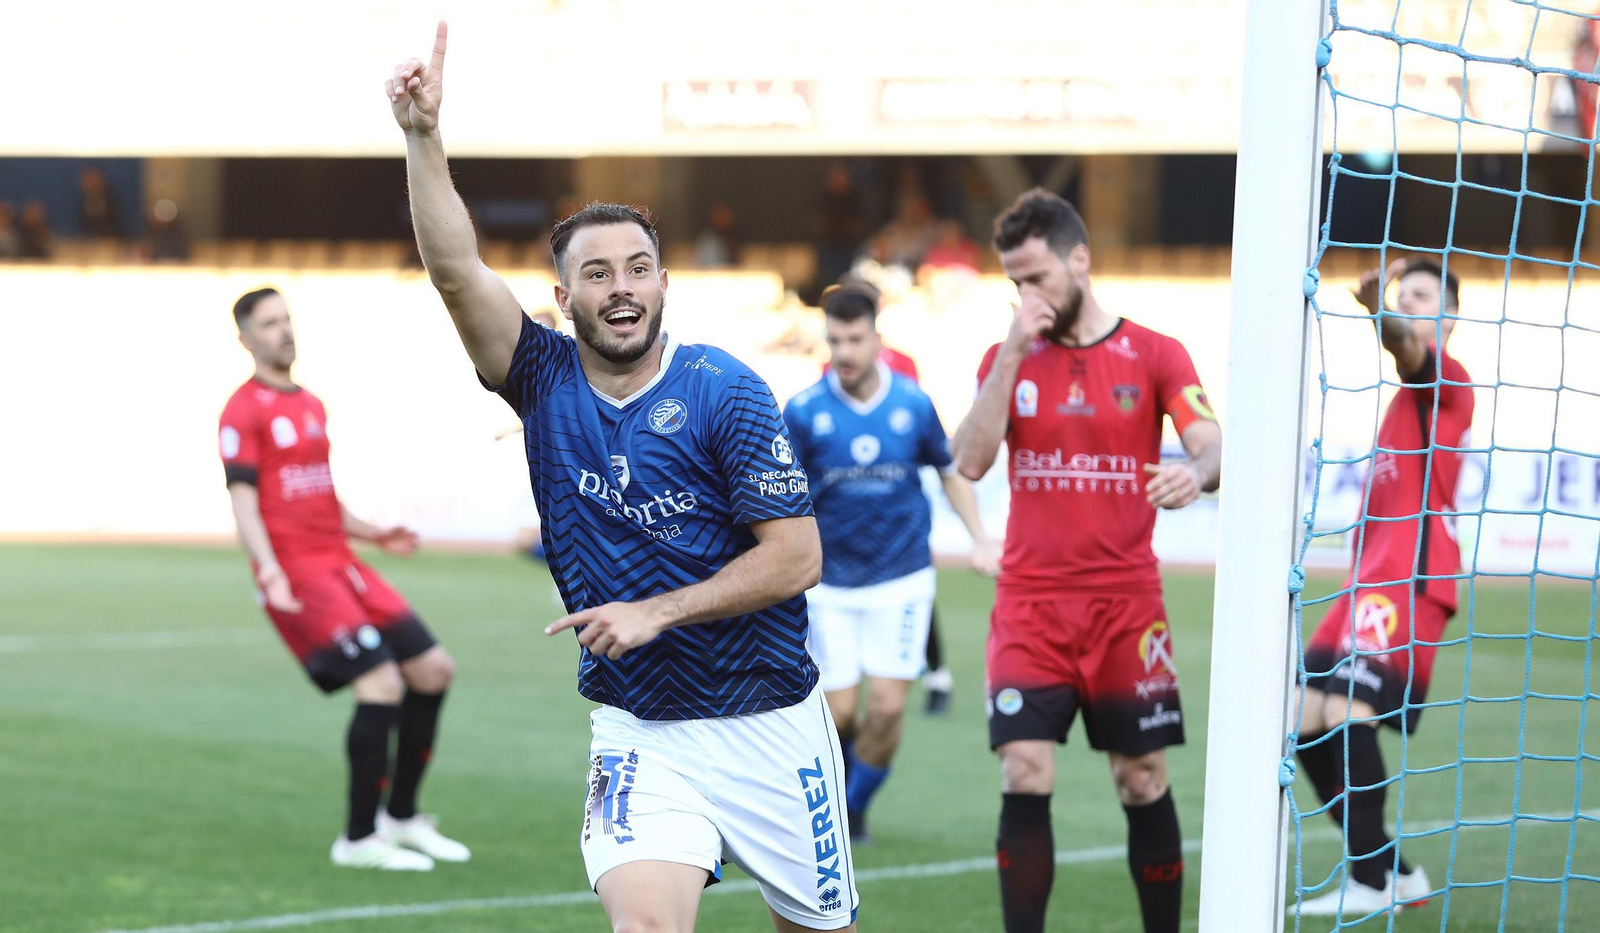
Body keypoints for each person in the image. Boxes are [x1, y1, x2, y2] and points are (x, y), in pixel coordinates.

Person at [385, 23, 858, 932]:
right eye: (596, 274)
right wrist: (421, 135)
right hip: (638, 727)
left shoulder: (726, 390)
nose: (621, 287)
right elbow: (453, 270)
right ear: (565, 299)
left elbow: (797, 558)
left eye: (638, 267)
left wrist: (658, 609)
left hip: (770, 717)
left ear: (665, 283)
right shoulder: (542, 377)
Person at [951, 189, 1222, 933]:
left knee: (1141, 779)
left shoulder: (1157, 351)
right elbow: (970, 460)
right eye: (1014, 282)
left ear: (1080, 260)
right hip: (1030, 605)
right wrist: (1011, 349)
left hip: (1125, 607)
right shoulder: (1003, 356)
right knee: (1024, 768)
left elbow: (1211, 443)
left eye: (1036, 277)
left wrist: (1194, 474)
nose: (1025, 295)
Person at [219, 287, 469, 872]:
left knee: (433, 670)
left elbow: (321, 495)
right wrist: (270, 570)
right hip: (300, 573)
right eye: (270, 323)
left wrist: (374, 534)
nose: (284, 331)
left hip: (341, 562)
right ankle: (357, 838)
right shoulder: (242, 410)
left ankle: (400, 817)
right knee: (379, 682)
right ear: (246, 338)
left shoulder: (309, 403)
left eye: (287, 320)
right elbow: (244, 503)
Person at [784, 284, 996, 845]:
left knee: (887, 710)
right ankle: (839, 803)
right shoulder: (804, 411)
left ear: (878, 338)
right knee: (843, 714)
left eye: (855, 339)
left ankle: (849, 810)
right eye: (835, 340)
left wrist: (980, 537)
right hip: (828, 584)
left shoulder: (913, 404)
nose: (845, 352)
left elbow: (949, 471)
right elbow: (779, 496)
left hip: (902, 579)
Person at [1294, 259, 1473, 917]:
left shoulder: (1449, 381)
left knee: (1346, 715)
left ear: (1450, 317)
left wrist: (1378, 311)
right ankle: (1394, 871)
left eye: (1423, 297)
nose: (1410, 305)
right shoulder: (1403, 403)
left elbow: (1405, 347)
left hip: (1409, 582)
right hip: (1364, 584)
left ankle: (1370, 883)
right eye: (1404, 297)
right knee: (1301, 722)